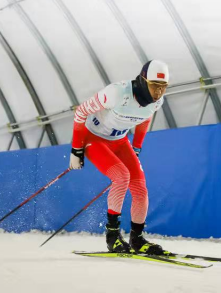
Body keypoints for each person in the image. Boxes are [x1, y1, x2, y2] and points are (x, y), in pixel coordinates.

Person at [69, 60, 169, 255]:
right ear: (142, 80)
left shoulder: (157, 101)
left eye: (163, 87)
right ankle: (112, 236)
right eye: (154, 86)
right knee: (122, 176)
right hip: (94, 139)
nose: (158, 92)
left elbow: (145, 118)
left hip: (120, 141)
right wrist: (76, 149)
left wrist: (137, 147)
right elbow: (80, 112)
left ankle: (137, 239)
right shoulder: (115, 93)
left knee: (140, 187)